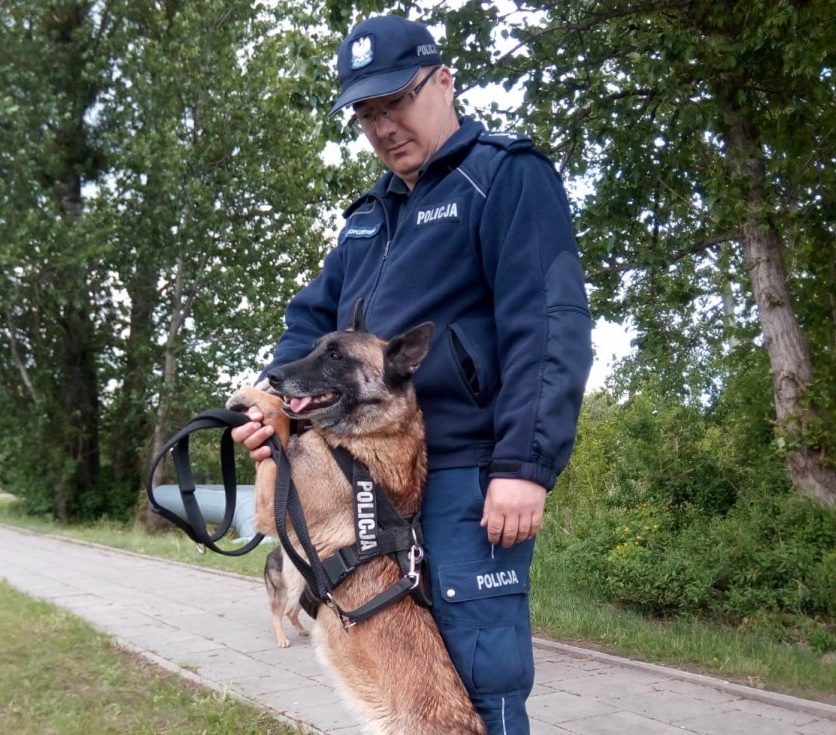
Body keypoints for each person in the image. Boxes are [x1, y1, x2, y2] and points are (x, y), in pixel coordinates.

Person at [232, 14, 592, 734]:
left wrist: (523, 463)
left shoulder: (502, 176)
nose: (383, 125)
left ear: (443, 81)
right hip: (368, 478)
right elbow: (310, 320)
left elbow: (548, 324)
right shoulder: (370, 216)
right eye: (366, 113)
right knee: (400, 685)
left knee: (476, 682)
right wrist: (273, 396)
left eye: (396, 100)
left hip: (467, 476)